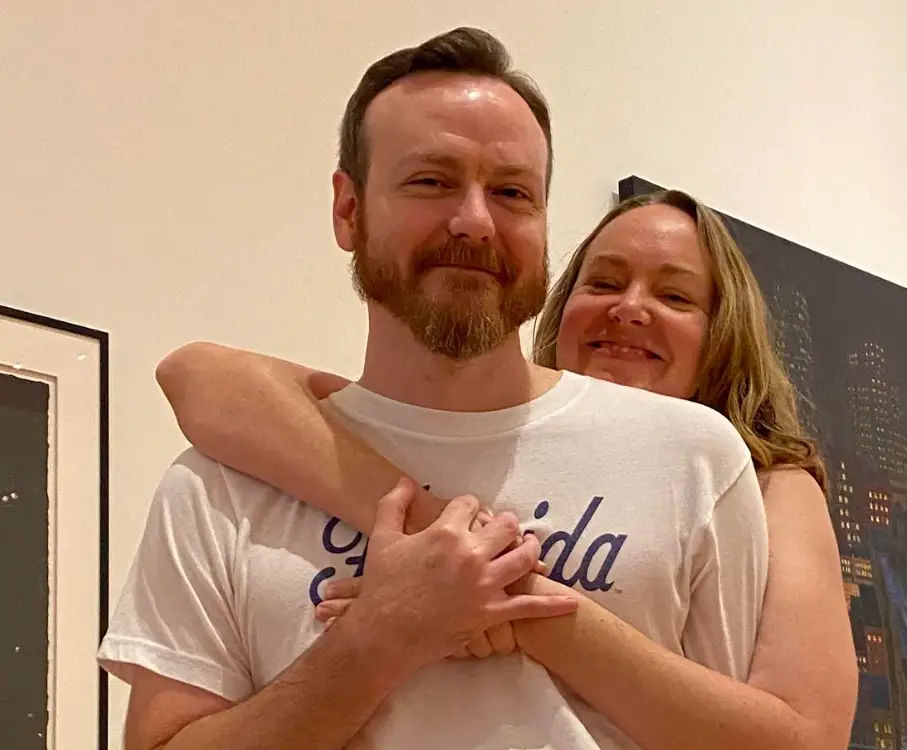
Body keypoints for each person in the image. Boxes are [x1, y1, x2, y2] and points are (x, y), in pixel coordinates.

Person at [98, 26, 773, 750]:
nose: (474, 221)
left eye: (512, 192)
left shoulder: (692, 460)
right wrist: (377, 640)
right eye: (432, 181)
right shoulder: (218, 486)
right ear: (348, 211)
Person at [156, 189, 857, 745]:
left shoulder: (769, 485)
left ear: (723, 330)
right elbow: (200, 377)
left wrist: (496, 595)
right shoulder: (476, 437)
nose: (629, 309)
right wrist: (444, 563)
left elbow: (801, 735)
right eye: (604, 282)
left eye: (674, 296)